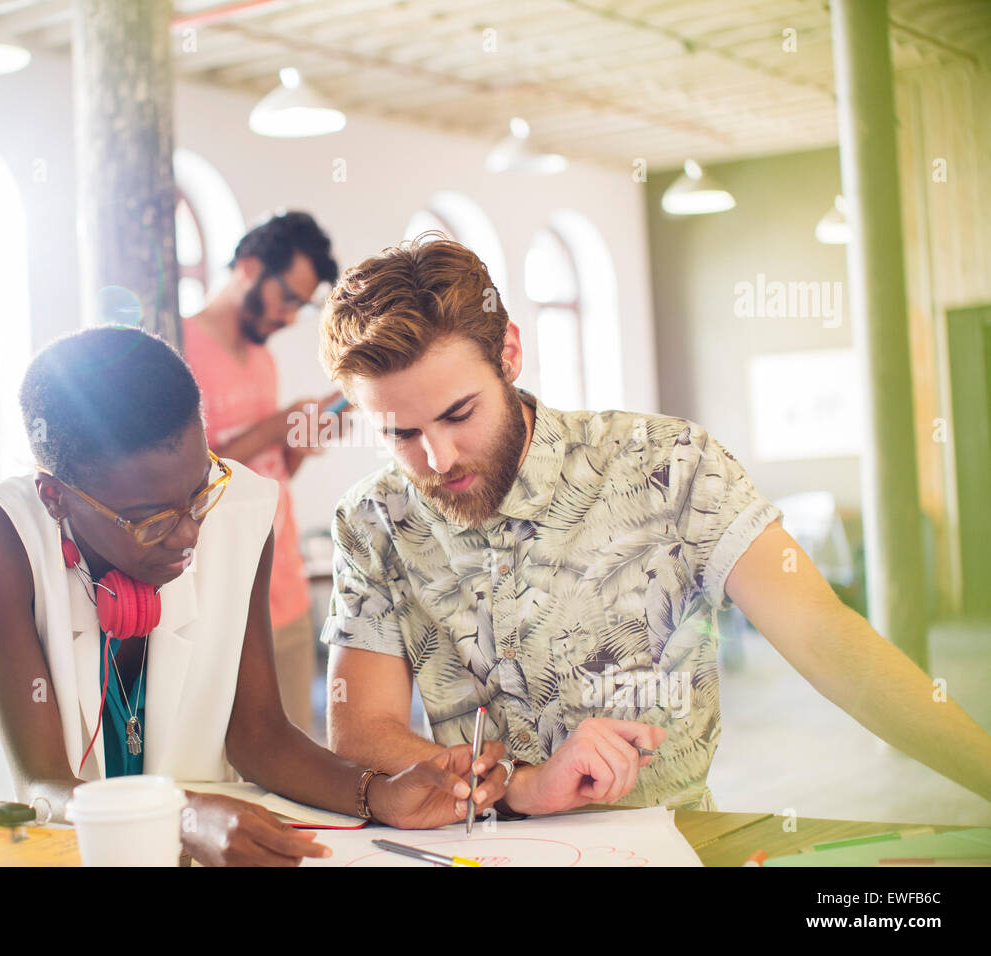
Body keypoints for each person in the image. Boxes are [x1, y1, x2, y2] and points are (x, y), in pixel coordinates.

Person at [317, 234, 991, 816]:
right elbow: (362, 736)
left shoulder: (669, 465)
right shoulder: (373, 520)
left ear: (510, 355)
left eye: (460, 413)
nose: (437, 459)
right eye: (399, 433)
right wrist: (520, 787)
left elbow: (826, 638)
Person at [0, 325, 506, 867]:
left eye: (199, 493)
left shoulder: (240, 511)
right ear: (55, 497)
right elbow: (40, 782)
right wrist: (180, 816)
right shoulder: (1, 533)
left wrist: (381, 793)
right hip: (46, 854)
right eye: (151, 520)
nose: (189, 533)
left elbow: (258, 733)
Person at [183, 210, 340, 734]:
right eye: (288, 298)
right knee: (228, 766)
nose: (291, 317)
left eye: (302, 304)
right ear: (250, 267)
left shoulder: (261, 359)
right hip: (216, 599)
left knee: (294, 755)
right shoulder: (178, 348)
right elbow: (185, 480)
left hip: (285, 587)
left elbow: (268, 476)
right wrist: (275, 425)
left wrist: (298, 443)